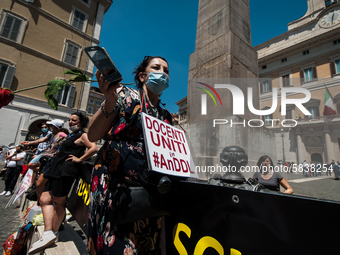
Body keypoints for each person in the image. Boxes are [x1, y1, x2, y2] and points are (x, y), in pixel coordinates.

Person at [87, 56, 173, 254]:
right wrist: (109, 101)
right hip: (114, 184)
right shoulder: (123, 95)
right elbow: (92, 135)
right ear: (142, 76)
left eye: (166, 70)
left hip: (148, 189)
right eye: (156, 67)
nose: (162, 73)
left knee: (144, 243)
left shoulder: (166, 115)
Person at [28, 112, 98, 254]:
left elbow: (94, 148)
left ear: (82, 122)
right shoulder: (71, 135)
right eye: (70, 120)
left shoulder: (82, 135)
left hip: (65, 171)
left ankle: (52, 232)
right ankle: (49, 232)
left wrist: (79, 159)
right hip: (56, 169)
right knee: (44, 198)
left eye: (74, 120)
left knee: (58, 202)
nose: (71, 122)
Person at [23, 122, 58, 190]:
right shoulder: (43, 134)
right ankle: (32, 184)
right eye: (42, 127)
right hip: (39, 152)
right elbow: (41, 141)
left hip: (46, 153)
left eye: (45, 127)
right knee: (31, 166)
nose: (44, 129)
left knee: (36, 168)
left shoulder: (52, 134)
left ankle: (34, 184)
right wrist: (30, 143)